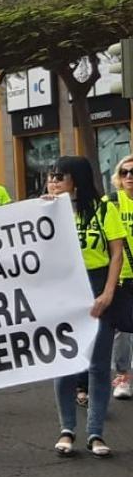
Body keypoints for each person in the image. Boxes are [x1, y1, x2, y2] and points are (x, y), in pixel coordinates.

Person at [48, 157, 122, 458]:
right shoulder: (46, 211)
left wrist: (107, 294)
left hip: (96, 287)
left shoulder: (105, 208)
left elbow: (116, 253)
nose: (53, 183)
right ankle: (67, 429)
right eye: (51, 178)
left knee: (98, 366)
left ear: (75, 180)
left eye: (59, 178)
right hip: (62, 292)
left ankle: (95, 433)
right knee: (64, 364)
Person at [108, 154, 133, 401]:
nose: (129, 177)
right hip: (124, 274)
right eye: (124, 172)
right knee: (123, 331)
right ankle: (123, 377)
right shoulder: (112, 202)